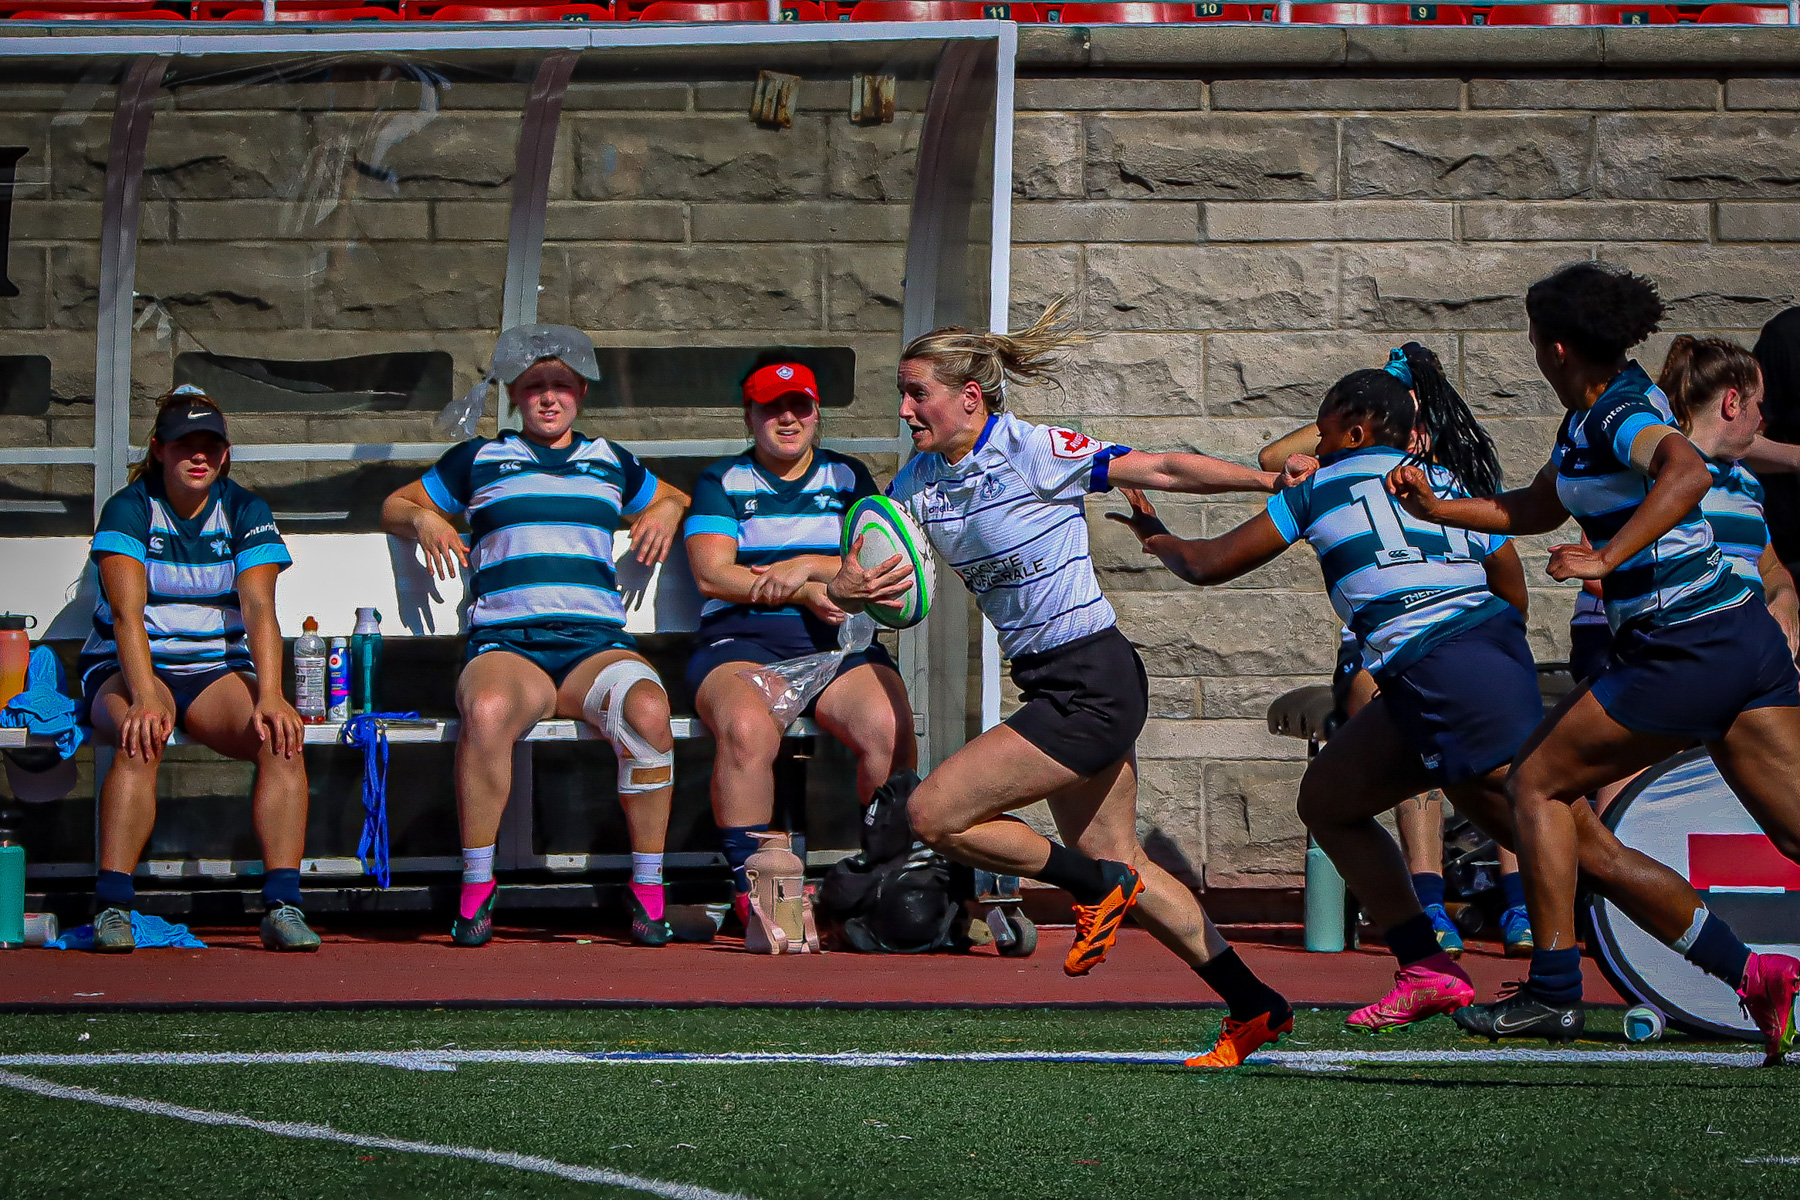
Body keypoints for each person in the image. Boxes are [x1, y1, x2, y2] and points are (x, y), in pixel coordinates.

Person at [825, 300, 1302, 1068]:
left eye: (918, 393)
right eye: (904, 393)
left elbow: (1163, 467)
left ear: (969, 397)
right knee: (1129, 865)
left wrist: (1265, 477)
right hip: (1052, 681)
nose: (906, 408)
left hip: (1095, 676)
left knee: (934, 814)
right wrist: (850, 589)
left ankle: (1093, 884)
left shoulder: (1034, 448)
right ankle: (1257, 1006)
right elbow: (882, 587)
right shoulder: (916, 482)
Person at [1388, 263, 1800, 1061]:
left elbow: (1683, 471)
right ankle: (1760, 978)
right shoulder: (1593, 416)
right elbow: (1536, 508)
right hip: (1734, 638)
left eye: (1535, 336)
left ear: (1557, 346)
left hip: (1684, 646)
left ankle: (1553, 990)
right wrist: (1441, 510)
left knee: (1537, 780)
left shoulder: (1617, 415)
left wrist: (1607, 557)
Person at [381, 325, 690, 949]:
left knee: (649, 711)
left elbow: (674, 495)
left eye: (561, 387)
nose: (549, 399)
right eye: (534, 388)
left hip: (593, 648)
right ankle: (477, 886)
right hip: (509, 646)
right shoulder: (481, 458)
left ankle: (648, 889)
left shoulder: (611, 460)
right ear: (516, 398)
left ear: (580, 393)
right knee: (488, 712)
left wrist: (664, 509)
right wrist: (423, 519)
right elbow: (393, 503)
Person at [1258, 369, 1533, 959]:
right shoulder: (1349, 449)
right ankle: (1427, 902)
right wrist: (1343, 429)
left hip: (1456, 634)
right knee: (1408, 753)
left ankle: (1522, 901)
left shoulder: (1444, 464)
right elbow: (1274, 456)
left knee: (1512, 782)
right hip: (1383, 640)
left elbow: (1507, 572)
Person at [81, 386, 318, 953]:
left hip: (214, 670)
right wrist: (143, 695)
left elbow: (261, 608)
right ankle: (114, 907)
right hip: (130, 665)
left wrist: (271, 694)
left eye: (211, 444)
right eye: (186, 443)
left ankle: (283, 905)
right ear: (160, 449)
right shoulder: (130, 506)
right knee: (144, 734)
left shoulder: (245, 508)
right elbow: (124, 614)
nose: (199, 456)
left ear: (225, 452)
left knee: (280, 738)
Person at [684, 356, 916, 925]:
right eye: (771, 407)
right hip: (741, 645)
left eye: (800, 406)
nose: (787, 419)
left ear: (816, 413)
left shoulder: (847, 476)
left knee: (888, 726)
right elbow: (713, 573)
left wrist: (808, 565)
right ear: (749, 415)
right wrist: (803, 592)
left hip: (839, 649)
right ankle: (755, 888)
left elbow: (876, 558)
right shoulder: (722, 481)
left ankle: (883, 877)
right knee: (746, 728)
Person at [1661, 335, 1800, 658]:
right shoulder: (1663, 473)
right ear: (1732, 403)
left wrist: (1786, 598)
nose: (1762, 421)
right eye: (1758, 405)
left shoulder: (1745, 481)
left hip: (1753, 651)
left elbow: (1770, 569)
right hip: (1695, 649)